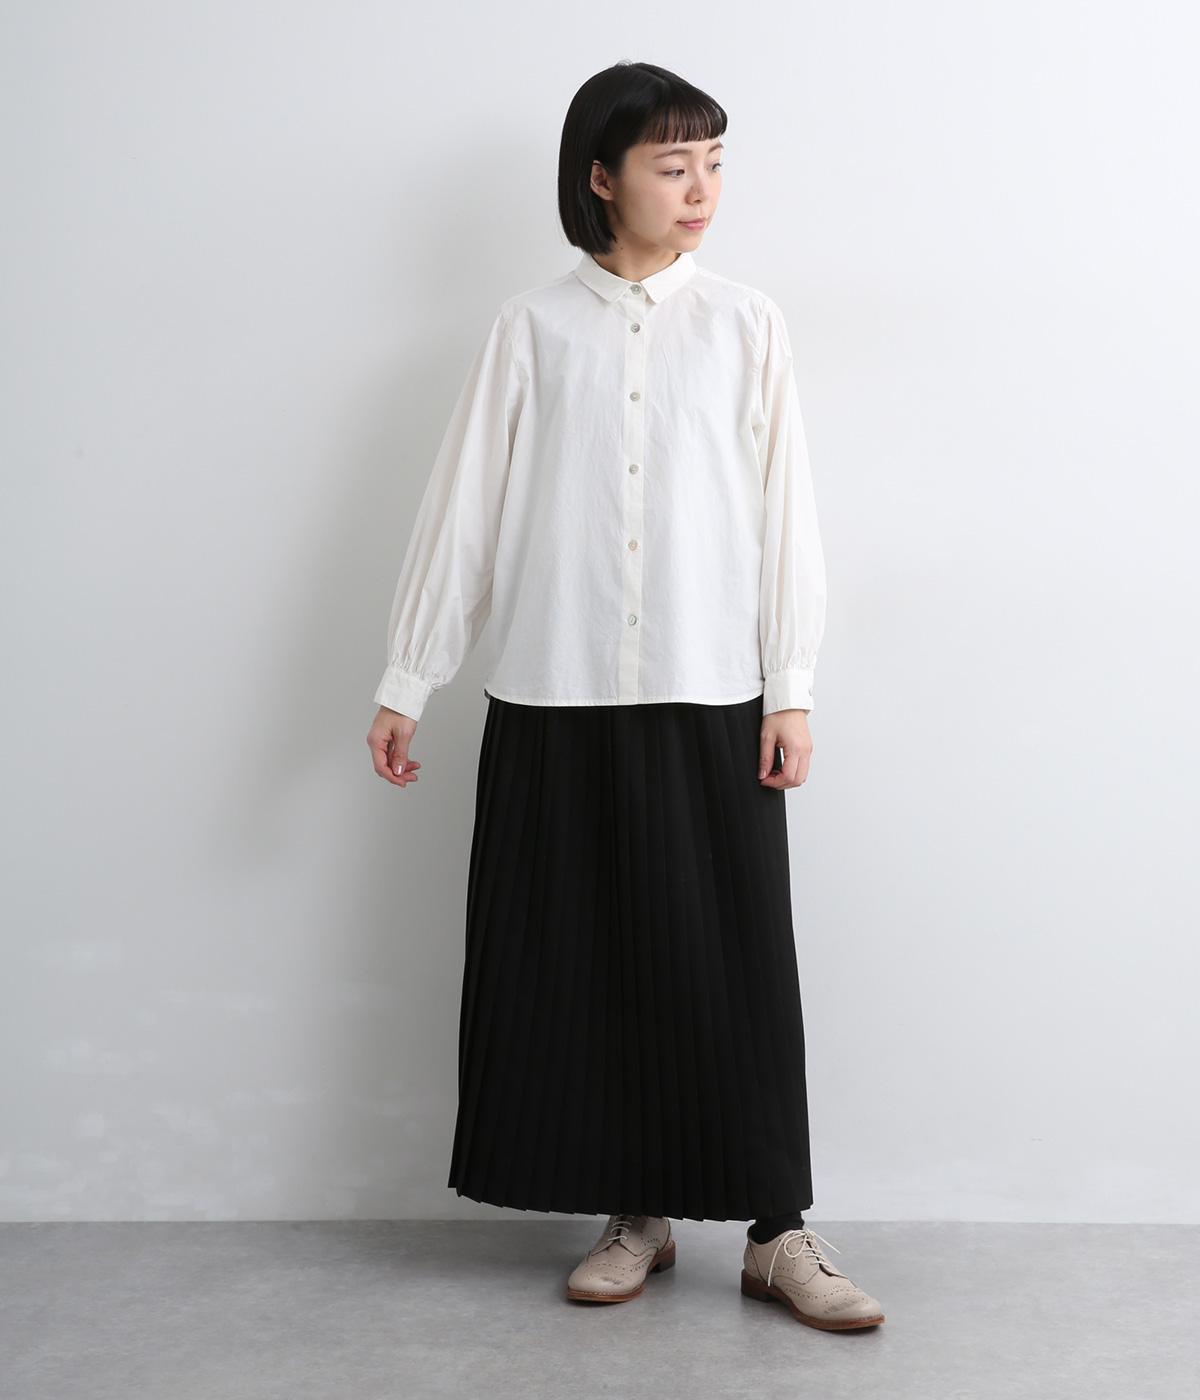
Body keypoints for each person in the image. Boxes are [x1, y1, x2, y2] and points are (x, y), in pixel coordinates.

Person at [366, 60, 885, 1331]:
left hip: (714, 692)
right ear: (601, 178)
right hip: (558, 689)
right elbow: (465, 509)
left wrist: (791, 686)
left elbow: (786, 513)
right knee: (589, 962)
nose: (702, 188)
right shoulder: (530, 329)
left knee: (732, 965)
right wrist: (409, 674)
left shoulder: (747, 324)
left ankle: (777, 1230)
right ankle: (635, 1213)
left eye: (714, 163)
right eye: (673, 165)